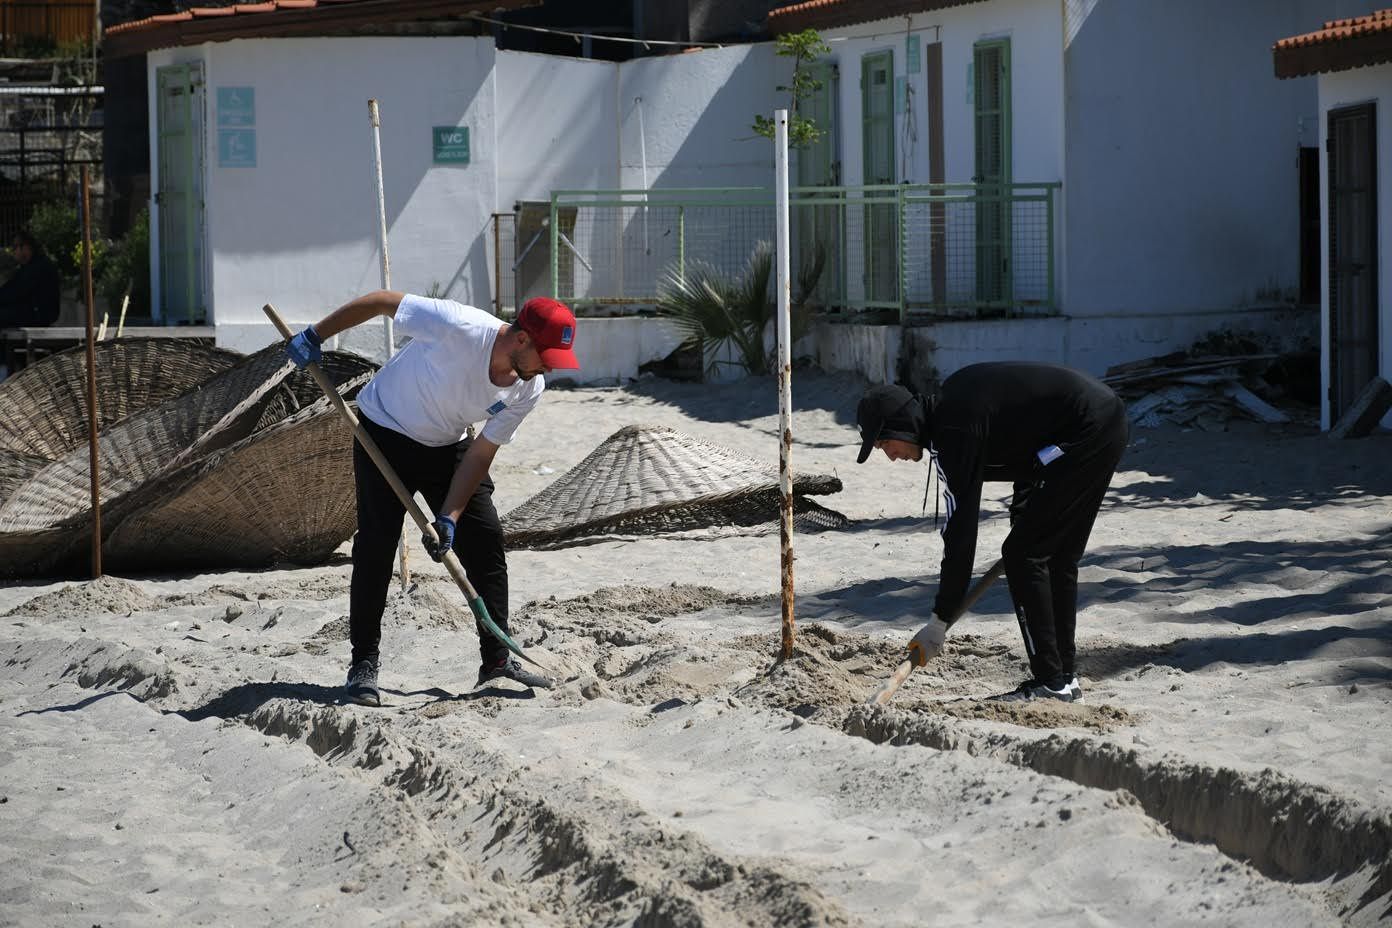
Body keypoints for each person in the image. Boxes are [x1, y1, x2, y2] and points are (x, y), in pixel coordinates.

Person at [284, 290, 579, 706]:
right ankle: (363, 664)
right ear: (522, 339)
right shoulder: (457, 326)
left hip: (448, 444)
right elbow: (381, 302)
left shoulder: (528, 389)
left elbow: (480, 454)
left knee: (485, 535)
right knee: (376, 545)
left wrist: (450, 518)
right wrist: (316, 334)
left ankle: (496, 660)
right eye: (546, 355)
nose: (550, 367)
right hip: (384, 429)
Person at [855, 362, 1128, 702]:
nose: (890, 457)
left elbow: (960, 534)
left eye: (883, 445)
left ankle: (1050, 683)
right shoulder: (953, 411)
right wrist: (1022, 512)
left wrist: (939, 619)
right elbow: (1028, 449)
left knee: (1023, 554)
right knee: (1053, 556)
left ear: (900, 425)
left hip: (1086, 431)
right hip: (1101, 422)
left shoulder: (952, 430)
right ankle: (1064, 681)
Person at [0, 230, 62, 327]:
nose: (13, 251)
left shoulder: (38, 267)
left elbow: (14, 292)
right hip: (32, 313)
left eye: (15, 247)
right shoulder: (30, 266)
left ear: (26, 247)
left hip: (37, 316)